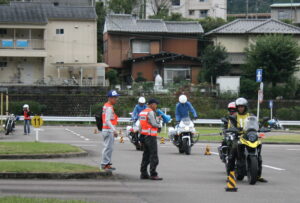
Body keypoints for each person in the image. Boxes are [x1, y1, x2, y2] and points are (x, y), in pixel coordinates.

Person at [228, 97, 267, 183]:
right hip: (238, 136)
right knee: (233, 152)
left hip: (249, 136)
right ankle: (230, 174)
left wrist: (261, 128)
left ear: (245, 107)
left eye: (242, 106)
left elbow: (257, 124)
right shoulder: (234, 116)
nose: (240, 108)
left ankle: (257, 175)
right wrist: (233, 129)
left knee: (258, 156)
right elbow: (230, 126)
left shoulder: (251, 115)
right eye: (239, 107)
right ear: (237, 107)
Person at [139, 99, 163, 180]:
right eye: (156, 104)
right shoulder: (150, 112)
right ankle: (153, 174)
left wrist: (141, 135)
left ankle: (143, 173)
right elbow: (153, 123)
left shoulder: (142, 112)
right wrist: (159, 125)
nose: (156, 106)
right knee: (153, 155)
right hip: (151, 136)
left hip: (144, 136)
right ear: (152, 104)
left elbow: (140, 126)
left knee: (146, 155)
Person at [100, 90, 120, 171]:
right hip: (108, 130)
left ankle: (107, 164)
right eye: (115, 98)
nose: (116, 99)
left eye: (116, 97)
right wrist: (114, 130)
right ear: (110, 98)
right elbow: (107, 120)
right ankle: (104, 164)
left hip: (107, 130)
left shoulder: (107, 106)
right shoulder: (108, 107)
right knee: (108, 148)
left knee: (109, 148)